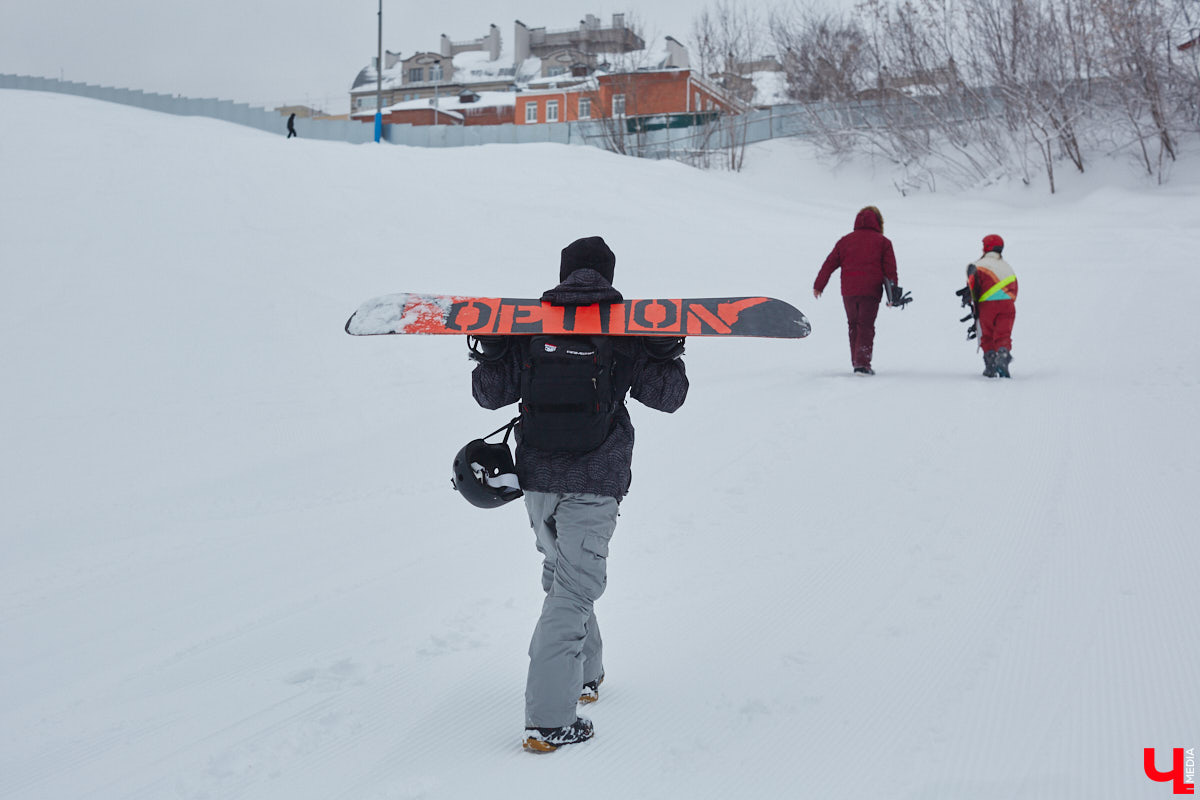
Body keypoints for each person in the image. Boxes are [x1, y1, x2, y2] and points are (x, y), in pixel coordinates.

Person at [469, 236, 689, 753]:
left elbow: (488, 395)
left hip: (538, 481)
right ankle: (548, 722)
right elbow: (669, 397)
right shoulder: (624, 328)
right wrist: (667, 351)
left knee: (563, 577)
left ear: (564, 273)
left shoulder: (533, 324)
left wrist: (495, 347)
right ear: (608, 277)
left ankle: (585, 676)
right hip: (594, 482)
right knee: (573, 589)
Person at [813, 206, 900, 375]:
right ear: (878, 222)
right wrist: (893, 294)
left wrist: (819, 285)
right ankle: (862, 364)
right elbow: (890, 270)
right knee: (866, 325)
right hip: (871, 291)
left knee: (853, 325)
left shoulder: (845, 241)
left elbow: (829, 263)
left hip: (849, 292)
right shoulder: (883, 242)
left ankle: (857, 361)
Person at [966, 234, 1018, 378]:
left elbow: (972, 285)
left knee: (987, 335)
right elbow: (1015, 287)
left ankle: (990, 364)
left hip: (986, 306)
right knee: (1003, 334)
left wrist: (973, 305)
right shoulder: (1007, 267)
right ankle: (1003, 353)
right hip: (1007, 305)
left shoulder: (978, 265)